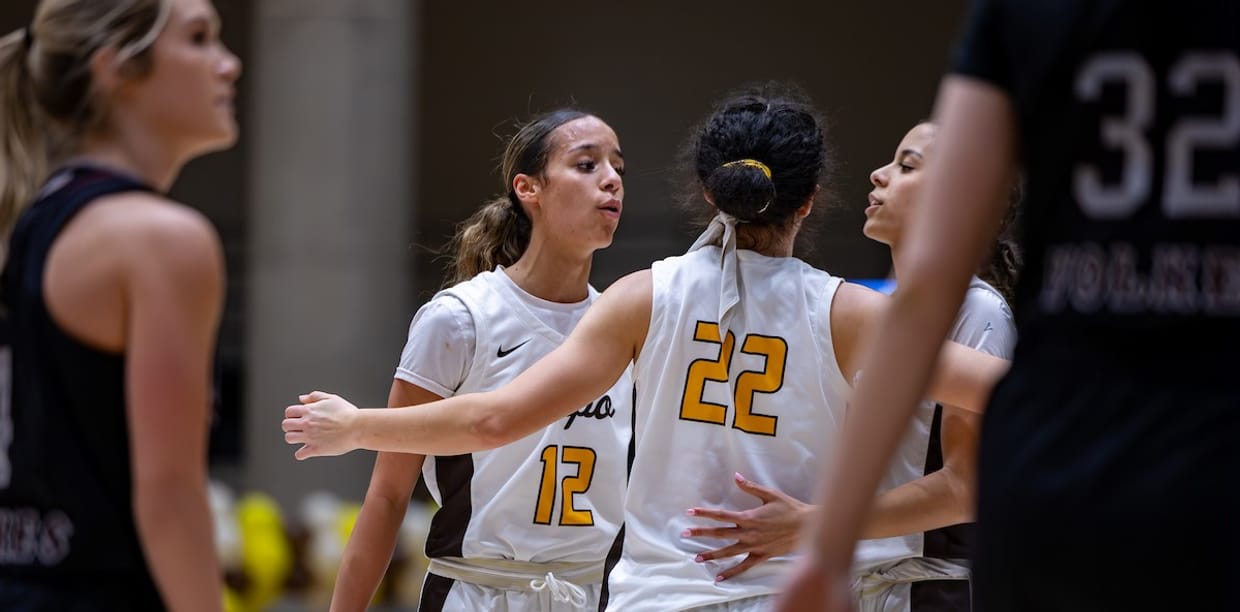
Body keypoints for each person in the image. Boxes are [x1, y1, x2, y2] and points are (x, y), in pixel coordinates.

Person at [282, 83, 1008, 612]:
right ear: (811, 198)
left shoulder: (640, 297)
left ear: (708, 190)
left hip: (654, 598)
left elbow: (492, 421)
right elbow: (1010, 392)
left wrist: (355, 426)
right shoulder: (849, 311)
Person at [778, 1, 1240, 611]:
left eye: (907, 165)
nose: (879, 176)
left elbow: (930, 292)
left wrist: (827, 538)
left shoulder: (1029, 16)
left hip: (1057, 478)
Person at [683, 121, 1020, 612]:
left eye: (907, 165)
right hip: (867, 583)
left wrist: (814, 523)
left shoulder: (976, 310)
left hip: (934, 589)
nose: (879, 175)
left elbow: (966, 486)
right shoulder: (868, 312)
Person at [328, 109, 632, 612]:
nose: (612, 180)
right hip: (476, 593)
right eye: (586, 164)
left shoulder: (623, 327)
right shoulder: (461, 319)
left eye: (618, 167)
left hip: (592, 594)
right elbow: (386, 496)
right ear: (528, 189)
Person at [0, 0, 239, 610]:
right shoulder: (160, 240)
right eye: (199, 39)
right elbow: (168, 497)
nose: (228, 64)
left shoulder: (31, 220)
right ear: (115, 68)